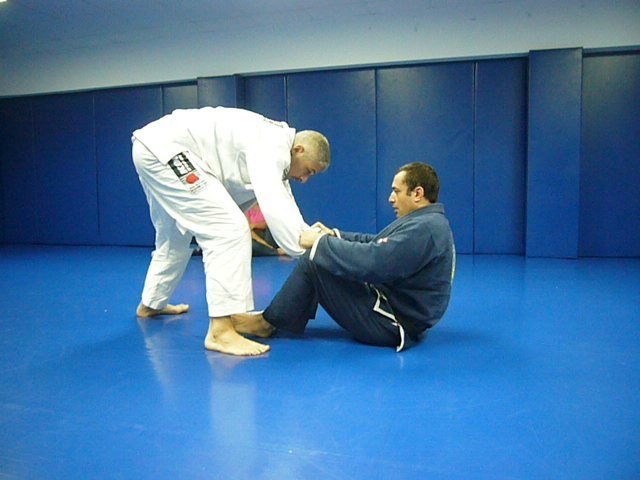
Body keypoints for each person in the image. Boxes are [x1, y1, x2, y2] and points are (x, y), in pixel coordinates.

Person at [131, 106, 330, 356]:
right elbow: (273, 202)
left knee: (174, 235)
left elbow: (284, 203)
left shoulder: (276, 147)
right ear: (298, 150)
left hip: (155, 148)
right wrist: (305, 243)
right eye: (308, 170)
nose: (305, 179)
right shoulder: (272, 145)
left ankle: (151, 303)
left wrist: (306, 232)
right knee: (228, 229)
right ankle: (221, 332)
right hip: (165, 150)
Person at [232, 162, 455, 352]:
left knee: (314, 261)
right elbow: (377, 243)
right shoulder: (427, 222)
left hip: (391, 324)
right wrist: (333, 235)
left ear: (417, 194)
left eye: (396, 191)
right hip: (397, 313)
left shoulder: (425, 229)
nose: (391, 198)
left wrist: (321, 243)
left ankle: (267, 324)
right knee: (321, 254)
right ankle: (279, 319)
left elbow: (375, 262)